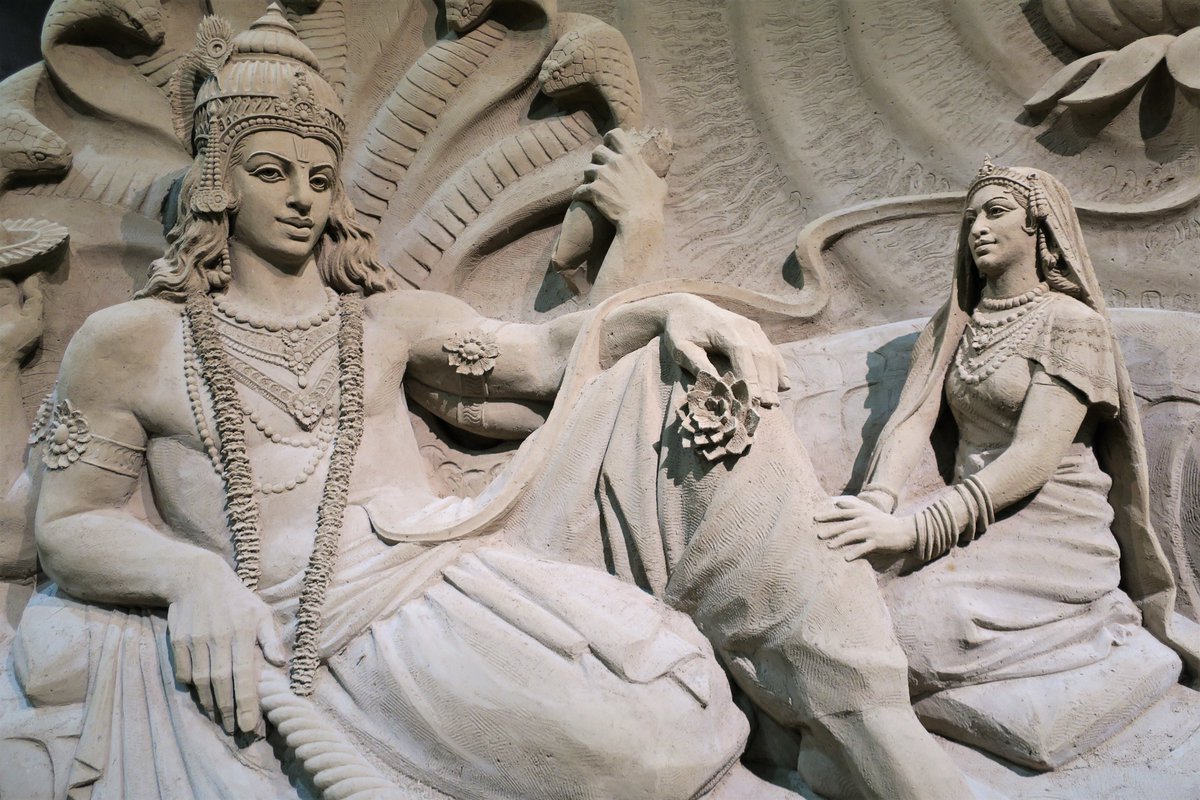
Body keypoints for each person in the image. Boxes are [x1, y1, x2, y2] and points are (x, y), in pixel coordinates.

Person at [5, 7, 983, 800]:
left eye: (318, 177)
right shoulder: (133, 341)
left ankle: (863, 714)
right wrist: (191, 579)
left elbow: (548, 355)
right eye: (271, 172)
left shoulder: (383, 321)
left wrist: (666, 305)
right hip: (322, 634)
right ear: (220, 181)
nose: (301, 197)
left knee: (669, 387)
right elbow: (70, 521)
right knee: (643, 755)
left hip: (441, 572)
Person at [815, 161, 1200, 763]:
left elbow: (1032, 458)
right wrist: (876, 503)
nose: (978, 228)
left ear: (1038, 226)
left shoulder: (1073, 326)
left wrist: (911, 531)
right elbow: (913, 418)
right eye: (971, 218)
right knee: (843, 602)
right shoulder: (957, 325)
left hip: (1054, 532)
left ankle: (1099, 629)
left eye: (996, 213)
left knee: (909, 632)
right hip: (971, 521)